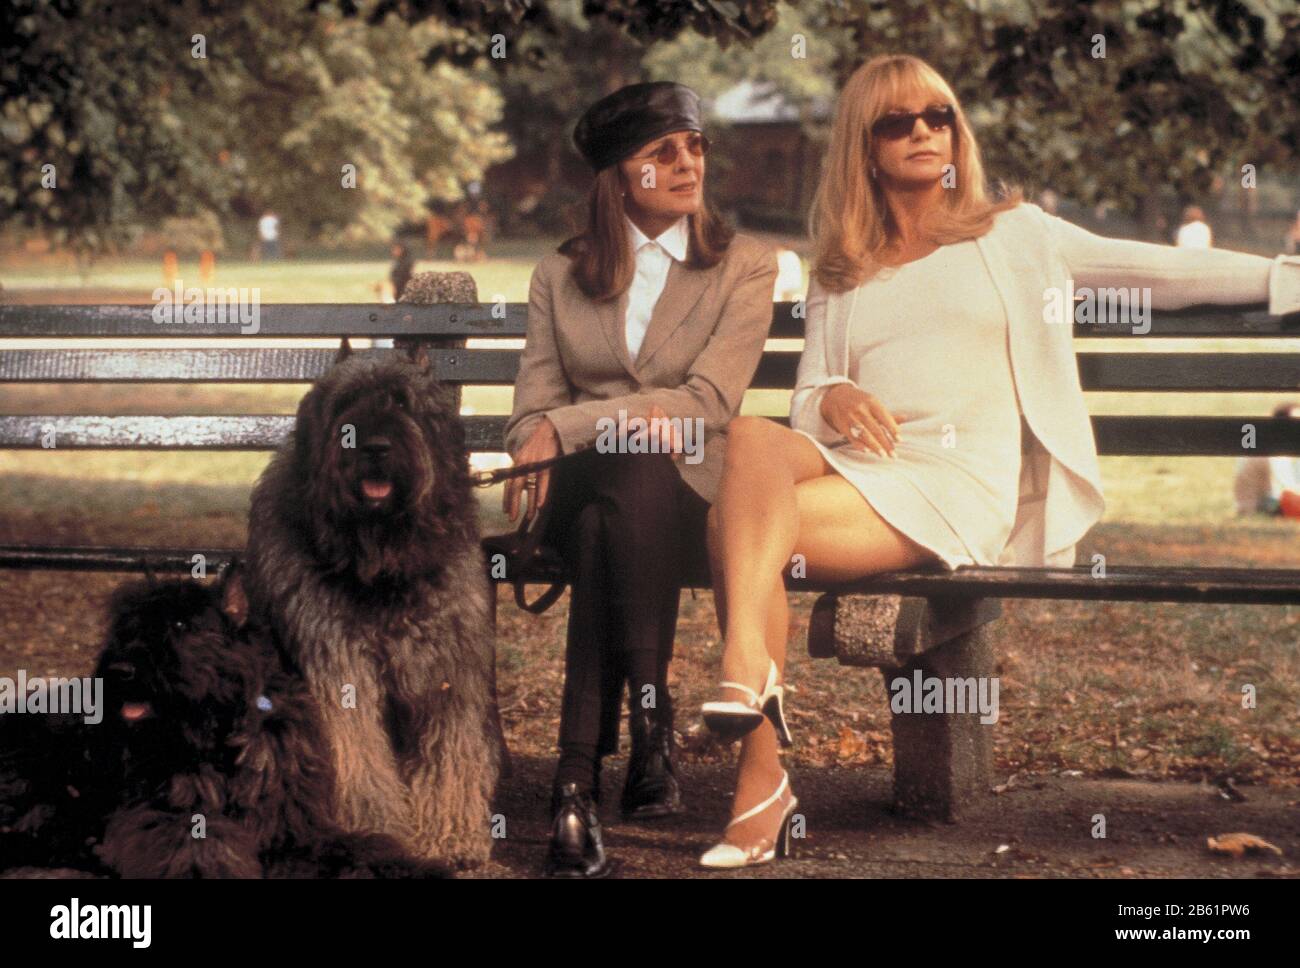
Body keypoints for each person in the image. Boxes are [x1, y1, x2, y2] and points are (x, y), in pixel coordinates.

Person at [699, 53, 1300, 870]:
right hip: (861, 470)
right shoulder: (847, 267)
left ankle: (754, 737)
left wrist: (1284, 275)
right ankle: (755, 728)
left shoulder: (1013, 236)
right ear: (863, 147)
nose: (923, 131)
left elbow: (1163, 271)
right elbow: (807, 398)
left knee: (734, 532)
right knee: (752, 440)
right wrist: (834, 394)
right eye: (896, 122)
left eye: (937, 115)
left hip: (957, 487)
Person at [503, 81, 778, 878]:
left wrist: (578, 422)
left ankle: (573, 783)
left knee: (629, 478)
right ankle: (647, 726)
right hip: (576, 493)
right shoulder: (559, 276)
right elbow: (528, 420)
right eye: (663, 152)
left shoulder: (744, 267)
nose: (687, 162)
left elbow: (706, 404)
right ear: (619, 178)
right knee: (603, 501)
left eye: (694, 146)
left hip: (685, 496)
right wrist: (556, 430)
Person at [1233, 403, 1300, 516]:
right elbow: (1285, 488)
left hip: (1252, 505)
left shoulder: (1265, 444)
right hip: (1258, 508)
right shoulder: (1274, 453)